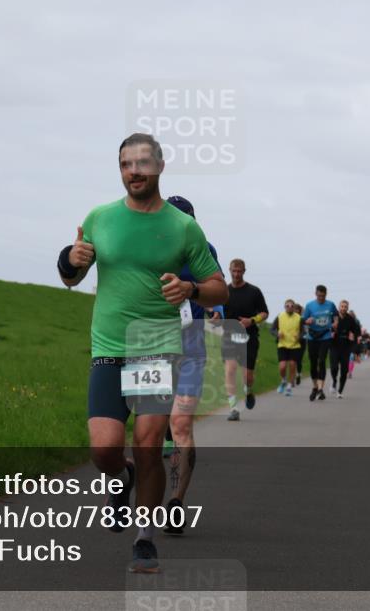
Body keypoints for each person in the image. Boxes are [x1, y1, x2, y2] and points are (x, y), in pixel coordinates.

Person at [57, 133, 227, 573]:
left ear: (159, 166)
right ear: (120, 169)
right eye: (125, 164)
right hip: (110, 345)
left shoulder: (183, 226)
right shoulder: (100, 217)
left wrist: (190, 287)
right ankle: (121, 478)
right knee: (104, 449)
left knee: (149, 443)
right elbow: (71, 280)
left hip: (155, 346)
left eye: (142, 163)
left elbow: (217, 289)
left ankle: (145, 538)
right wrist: (70, 258)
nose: (134, 171)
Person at [162, 195, 219, 536]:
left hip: (190, 347)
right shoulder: (147, 249)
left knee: (181, 424)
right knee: (150, 429)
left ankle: (176, 502)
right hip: (149, 346)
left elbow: (216, 289)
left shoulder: (204, 250)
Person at [220, 259, 268, 421]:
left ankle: (248, 391)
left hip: (249, 337)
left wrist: (251, 320)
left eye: (239, 271)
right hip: (229, 336)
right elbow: (217, 312)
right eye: (234, 271)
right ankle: (233, 408)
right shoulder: (224, 292)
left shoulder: (254, 291)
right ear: (230, 270)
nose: (236, 274)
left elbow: (264, 313)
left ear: (244, 271)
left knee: (247, 376)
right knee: (230, 369)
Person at [301, 285, 338, 401]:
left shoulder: (330, 304)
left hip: (325, 336)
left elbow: (336, 315)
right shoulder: (309, 305)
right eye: (319, 295)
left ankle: (321, 389)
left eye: (323, 296)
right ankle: (314, 387)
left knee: (321, 361)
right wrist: (307, 321)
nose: (321, 298)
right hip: (312, 336)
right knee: (313, 362)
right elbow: (303, 320)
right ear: (315, 294)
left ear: (326, 295)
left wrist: (335, 323)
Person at [329, 300, 361, 398]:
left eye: (345, 307)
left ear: (347, 308)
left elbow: (357, 332)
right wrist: (331, 331)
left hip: (346, 347)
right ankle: (334, 381)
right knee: (334, 368)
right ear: (339, 307)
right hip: (334, 345)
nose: (343, 308)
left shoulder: (350, 319)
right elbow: (327, 328)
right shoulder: (333, 317)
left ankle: (340, 391)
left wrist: (354, 337)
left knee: (344, 370)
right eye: (342, 306)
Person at [275, 299, 302, 396]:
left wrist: (300, 335)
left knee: (292, 365)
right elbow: (272, 329)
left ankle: (290, 386)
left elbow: (304, 331)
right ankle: (283, 381)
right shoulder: (279, 316)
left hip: (294, 346)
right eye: (287, 306)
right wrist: (277, 334)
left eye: (291, 306)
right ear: (284, 307)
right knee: (282, 367)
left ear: (294, 307)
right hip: (282, 345)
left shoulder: (299, 318)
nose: (289, 307)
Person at [293, 303, 306, 385]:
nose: (295, 311)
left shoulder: (302, 319)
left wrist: (300, 336)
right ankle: (292, 378)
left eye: (297, 309)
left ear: (300, 311)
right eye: (294, 309)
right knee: (292, 360)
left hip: (302, 341)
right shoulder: (289, 318)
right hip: (292, 341)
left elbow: (305, 331)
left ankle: (298, 374)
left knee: (299, 360)